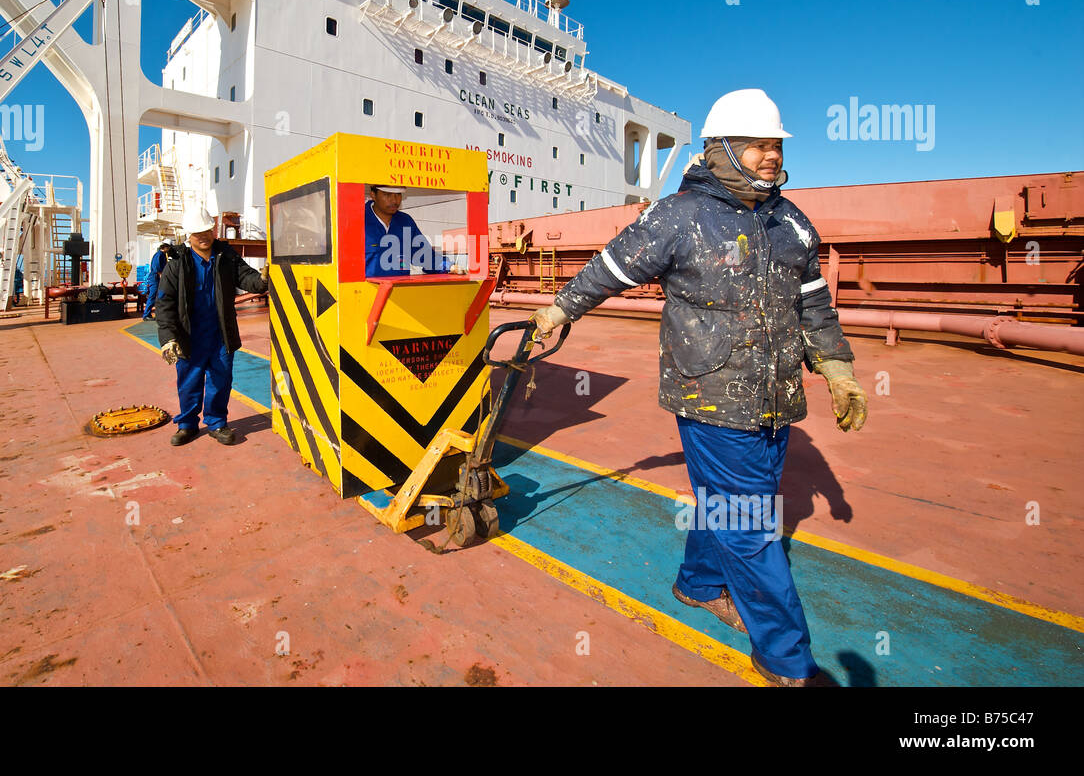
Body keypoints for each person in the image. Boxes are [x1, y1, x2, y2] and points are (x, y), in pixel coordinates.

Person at [532, 88, 868, 687]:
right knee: (749, 523)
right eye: (758, 144)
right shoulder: (679, 215)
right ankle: (787, 660)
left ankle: (698, 584)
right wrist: (561, 309)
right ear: (720, 149)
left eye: (776, 144)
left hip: (775, 396)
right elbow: (613, 265)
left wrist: (836, 368)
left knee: (732, 503)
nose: (771, 154)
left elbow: (813, 301)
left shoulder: (790, 221)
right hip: (710, 393)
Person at [156, 206, 269, 446]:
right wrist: (168, 338)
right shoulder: (177, 263)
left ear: (213, 230)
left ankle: (217, 423)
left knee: (220, 380)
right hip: (189, 335)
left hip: (220, 334)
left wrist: (262, 279)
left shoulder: (226, 257)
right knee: (189, 382)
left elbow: (246, 276)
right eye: (197, 233)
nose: (203, 236)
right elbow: (164, 302)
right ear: (189, 236)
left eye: (207, 230)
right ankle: (187, 425)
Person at [364, 184, 463, 277]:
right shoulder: (357, 221)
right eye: (387, 194)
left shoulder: (405, 222)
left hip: (399, 292)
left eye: (398, 194)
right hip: (362, 293)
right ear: (373, 195)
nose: (394, 200)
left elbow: (425, 255)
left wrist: (449, 266)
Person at [140, 240, 173, 319]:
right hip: (155, 278)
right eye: (168, 247)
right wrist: (161, 276)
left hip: (156, 278)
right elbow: (157, 267)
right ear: (165, 247)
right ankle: (146, 315)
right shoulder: (159, 255)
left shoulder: (161, 255)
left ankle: (151, 314)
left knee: (157, 296)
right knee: (153, 295)